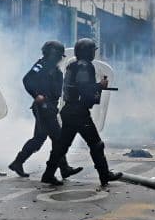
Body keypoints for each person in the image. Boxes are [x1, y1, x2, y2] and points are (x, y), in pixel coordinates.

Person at [41, 38, 124, 187]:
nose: (94, 53)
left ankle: (48, 174)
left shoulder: (72, 65)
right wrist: (100, 85)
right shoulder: (85, 66)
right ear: (87, 52)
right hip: (78, 113)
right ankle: (105, 175)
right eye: (92, 50)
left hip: (70, 111)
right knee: (96, 144)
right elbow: (84, 88)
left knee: (62, 146)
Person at [9, 40, 82, 179]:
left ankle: (18, 162)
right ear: (53, 54)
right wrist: (37, 95)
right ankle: (58, 170)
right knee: (58, 138)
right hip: (43, 107)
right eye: (59, 55)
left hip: (50, 107)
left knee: (39, 139)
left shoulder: (53, 68)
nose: (61, 58)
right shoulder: (41, 65)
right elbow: (27, 79)